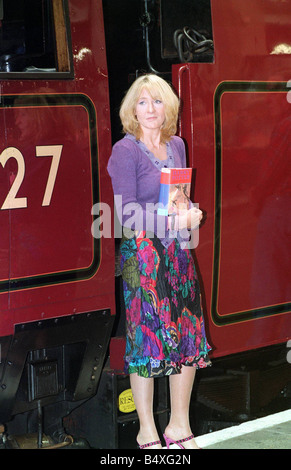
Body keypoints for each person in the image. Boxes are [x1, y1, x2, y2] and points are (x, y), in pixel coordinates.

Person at [107, 74, 211, 449]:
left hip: (177, 252)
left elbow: (177, 197)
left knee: (186, 334)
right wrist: (174, 221)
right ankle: (147, 430)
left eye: (157, 102)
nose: (150, 110)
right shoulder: (126, 151)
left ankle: (179, 427)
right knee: (147, 342)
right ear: (131, 110)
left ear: (169, 107)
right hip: (143, 258)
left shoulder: (177, 144)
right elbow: (128, 216)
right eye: (142, 102)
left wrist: (190, 212)